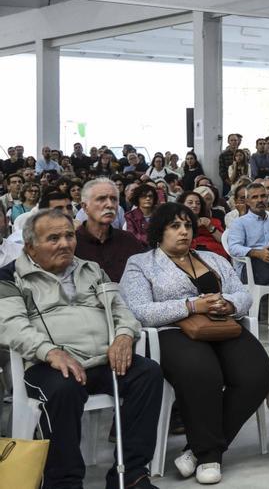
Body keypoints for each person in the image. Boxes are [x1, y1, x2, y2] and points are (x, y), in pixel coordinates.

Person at [0, 209, 163, 489]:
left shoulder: (90, 269)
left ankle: (131, 474)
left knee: (148, 374)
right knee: (65, 389)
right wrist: (49, 352)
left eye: (68, 235)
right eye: (53, 238)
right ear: (30, 246)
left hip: (102, 359)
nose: (65, 243)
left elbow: (121, 310)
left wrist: (124, 336)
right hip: (47, 366)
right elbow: (11, 325)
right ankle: (64, 482)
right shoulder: (11, 276)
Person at [120, 203, 269, 484]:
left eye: (188, 226)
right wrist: (192, 305)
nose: (184, 232)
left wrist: (227, 303)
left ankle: (198, 448)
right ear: (159, 232)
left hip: (221, 326)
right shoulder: (141, 264)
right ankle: (209, 455)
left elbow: (242, 294)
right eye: (175, 226)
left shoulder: (211, 258)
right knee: (203, 373)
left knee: (257, 374)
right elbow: (140, 310)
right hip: (173, 331)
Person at [224, 181, 269, 286]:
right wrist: (257, 253)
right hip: (251, 271)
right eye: (254, 197)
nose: (260, 200)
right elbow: (233, 248)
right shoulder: (240, 222)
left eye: (263, 196)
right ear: (247, 201)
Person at [75, 178, 147, 281]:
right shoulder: (73, 243)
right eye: (101, 199)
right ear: (85, 207)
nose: (110, 204)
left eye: (113, 199)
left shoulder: (129, 240)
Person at [180, 190, 229, 258]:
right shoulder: (176, 224)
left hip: (215, 255)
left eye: (198, 203)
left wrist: (209, 226)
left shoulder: (212, 221)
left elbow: (224, 241)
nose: (194, 205)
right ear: (182, 204)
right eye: (190, 203)